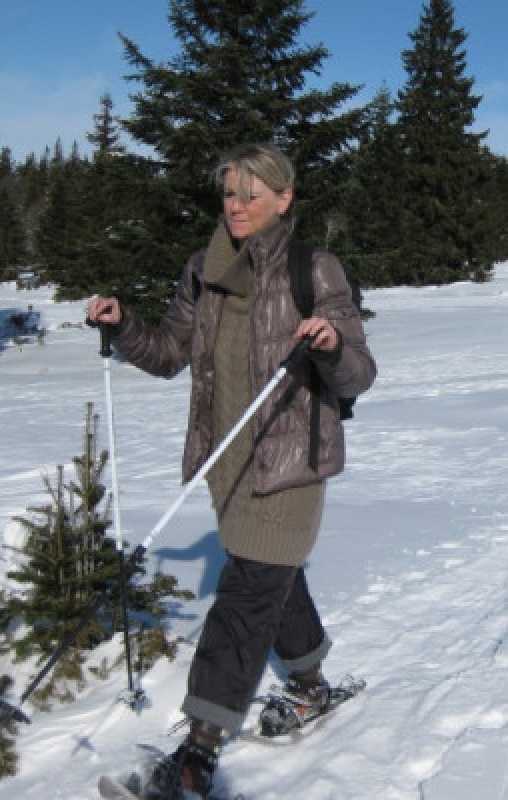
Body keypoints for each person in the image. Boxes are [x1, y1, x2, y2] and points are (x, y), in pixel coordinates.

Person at [86, 142, 376, 798]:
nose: (238, 205)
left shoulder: (313, 268)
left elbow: (360, 370)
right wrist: (124, 324)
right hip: (226, 461)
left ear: (284, 198)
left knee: (244, 597)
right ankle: (308, 686)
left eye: (253, 193)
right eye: (229, 193)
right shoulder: (201, 270)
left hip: (291, 462)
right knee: (270, 574)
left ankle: (194, 762)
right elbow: (168, 355)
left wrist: (328, 347)